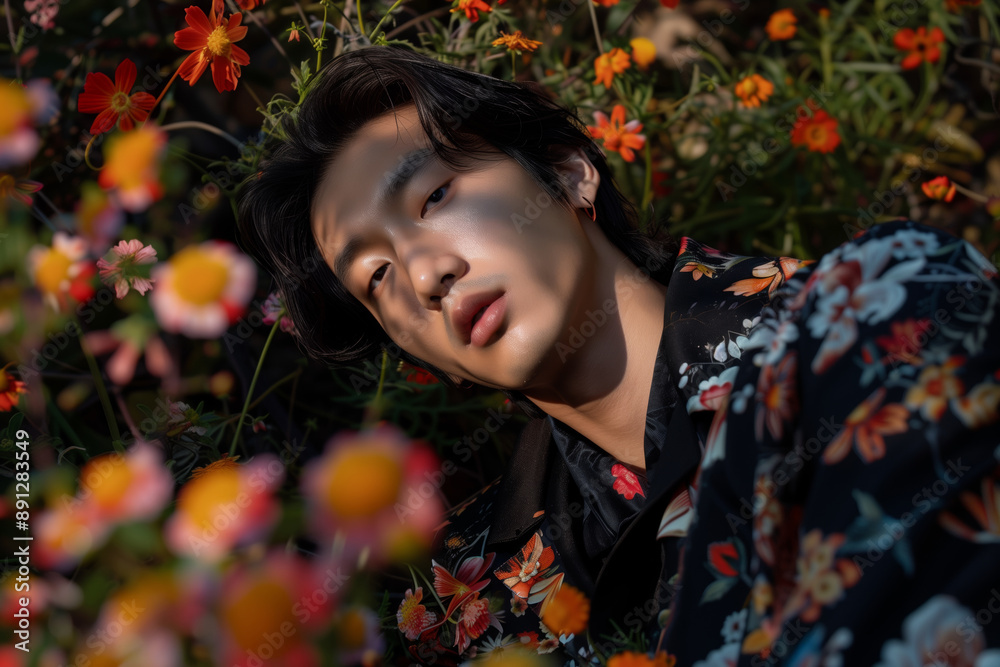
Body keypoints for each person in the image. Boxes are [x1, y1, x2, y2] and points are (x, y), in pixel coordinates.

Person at [237, 45, 1000, 666]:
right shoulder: (462, 606)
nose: (426, 275)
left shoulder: (874, 315)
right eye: (377, 278)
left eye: (435, 197)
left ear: (569, 170)